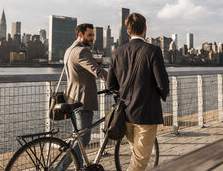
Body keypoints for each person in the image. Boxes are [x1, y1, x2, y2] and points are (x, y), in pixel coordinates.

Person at [107, 13, 170, 171]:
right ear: (145, 29)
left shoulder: (116, 53)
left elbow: (111, 85)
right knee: (140, 162)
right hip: (146, 115)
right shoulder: (153, 51)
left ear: (128, 31)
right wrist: (164, 93)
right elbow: (162, 83)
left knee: (136, 155)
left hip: (126, 114)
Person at [57, 23, 108, 170]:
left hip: (71, 97)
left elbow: (79, 67)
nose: (93, 38)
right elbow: (97, 72)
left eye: (93, 35)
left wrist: (94, 60)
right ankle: (59, 169)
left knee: (79, 139)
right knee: (84, 138)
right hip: (82, 101)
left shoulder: (69, 50)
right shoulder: (82, 51)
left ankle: (79, 167)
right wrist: (117, 80)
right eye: (89, 35)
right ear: (80, 35)